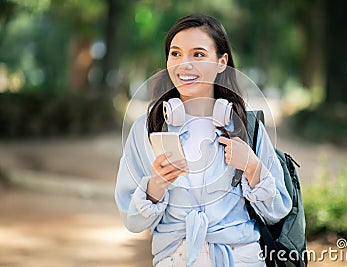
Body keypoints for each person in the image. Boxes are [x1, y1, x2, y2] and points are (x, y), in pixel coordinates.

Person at [115, 13, 292, 267]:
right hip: (175, 258)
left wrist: (252, 166)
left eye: (198, 54)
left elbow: (276, 211)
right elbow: (133, 221)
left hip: (241, 258)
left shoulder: (245, 127)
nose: (183, 64)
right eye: (175, 54)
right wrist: (154, 187)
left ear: (222, 62)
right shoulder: (146, 129)